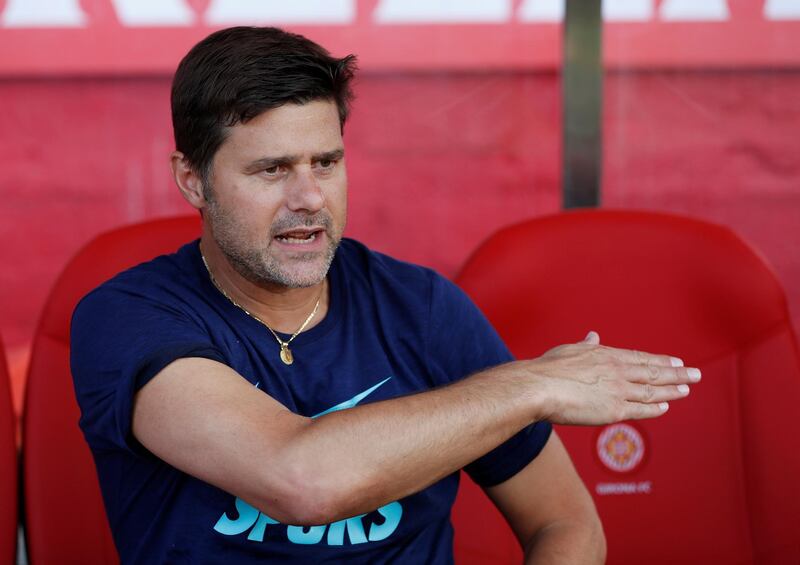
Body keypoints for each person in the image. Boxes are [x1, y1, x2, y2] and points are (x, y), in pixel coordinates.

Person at [70, 26, 699, 564]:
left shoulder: (421, 308)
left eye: (326, 162)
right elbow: (302, 481)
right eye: (272, 169)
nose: (309, 198)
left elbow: (567, 523)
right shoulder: (125, 317)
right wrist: (528, 386)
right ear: (192, 181)